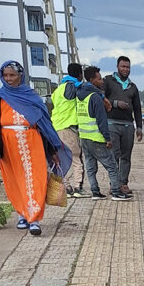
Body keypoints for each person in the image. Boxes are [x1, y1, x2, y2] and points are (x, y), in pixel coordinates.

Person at [0, 60, 72, 236]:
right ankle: (22, 214)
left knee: (36, 178)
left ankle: (35, 219)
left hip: (33, 142)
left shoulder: (32, 97)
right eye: (6, 75)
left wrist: (52, 150)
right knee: (15, 180)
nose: (9, 79)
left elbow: (43, 125)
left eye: (13, 75)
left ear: (21, 76)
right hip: (8, 146)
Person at [78, 66, 131, 201]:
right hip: (96, 137)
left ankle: (95, 191)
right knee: (112, 166)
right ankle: (116, 192)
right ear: (91, 80)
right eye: (99, 79)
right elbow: (101, 120)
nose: (102, 81)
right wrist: (107, 138)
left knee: (90, 166)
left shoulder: (80, 95)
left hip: (84, 137)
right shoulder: (95, 97)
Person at [102, 55, 144, 196]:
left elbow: (137, 108)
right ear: (117, 67)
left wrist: (139, 127)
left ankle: (123, 184)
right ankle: (114, 184)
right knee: (114, 156)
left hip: (128, 125)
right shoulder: (108, 81)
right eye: (123, 66)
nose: (125, 69)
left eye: (128, 67)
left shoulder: (133, 86)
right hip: (112, 123)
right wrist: (115, 104)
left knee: (126, 156)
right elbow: (100, 98)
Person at [51, 62, 87, 197]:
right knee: (76, 158)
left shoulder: (58, 89)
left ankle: (66, 187)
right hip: (69, 128)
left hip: (55, 128)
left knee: (60, 159)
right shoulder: (74, 87)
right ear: (79, 75)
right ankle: (78, 188)